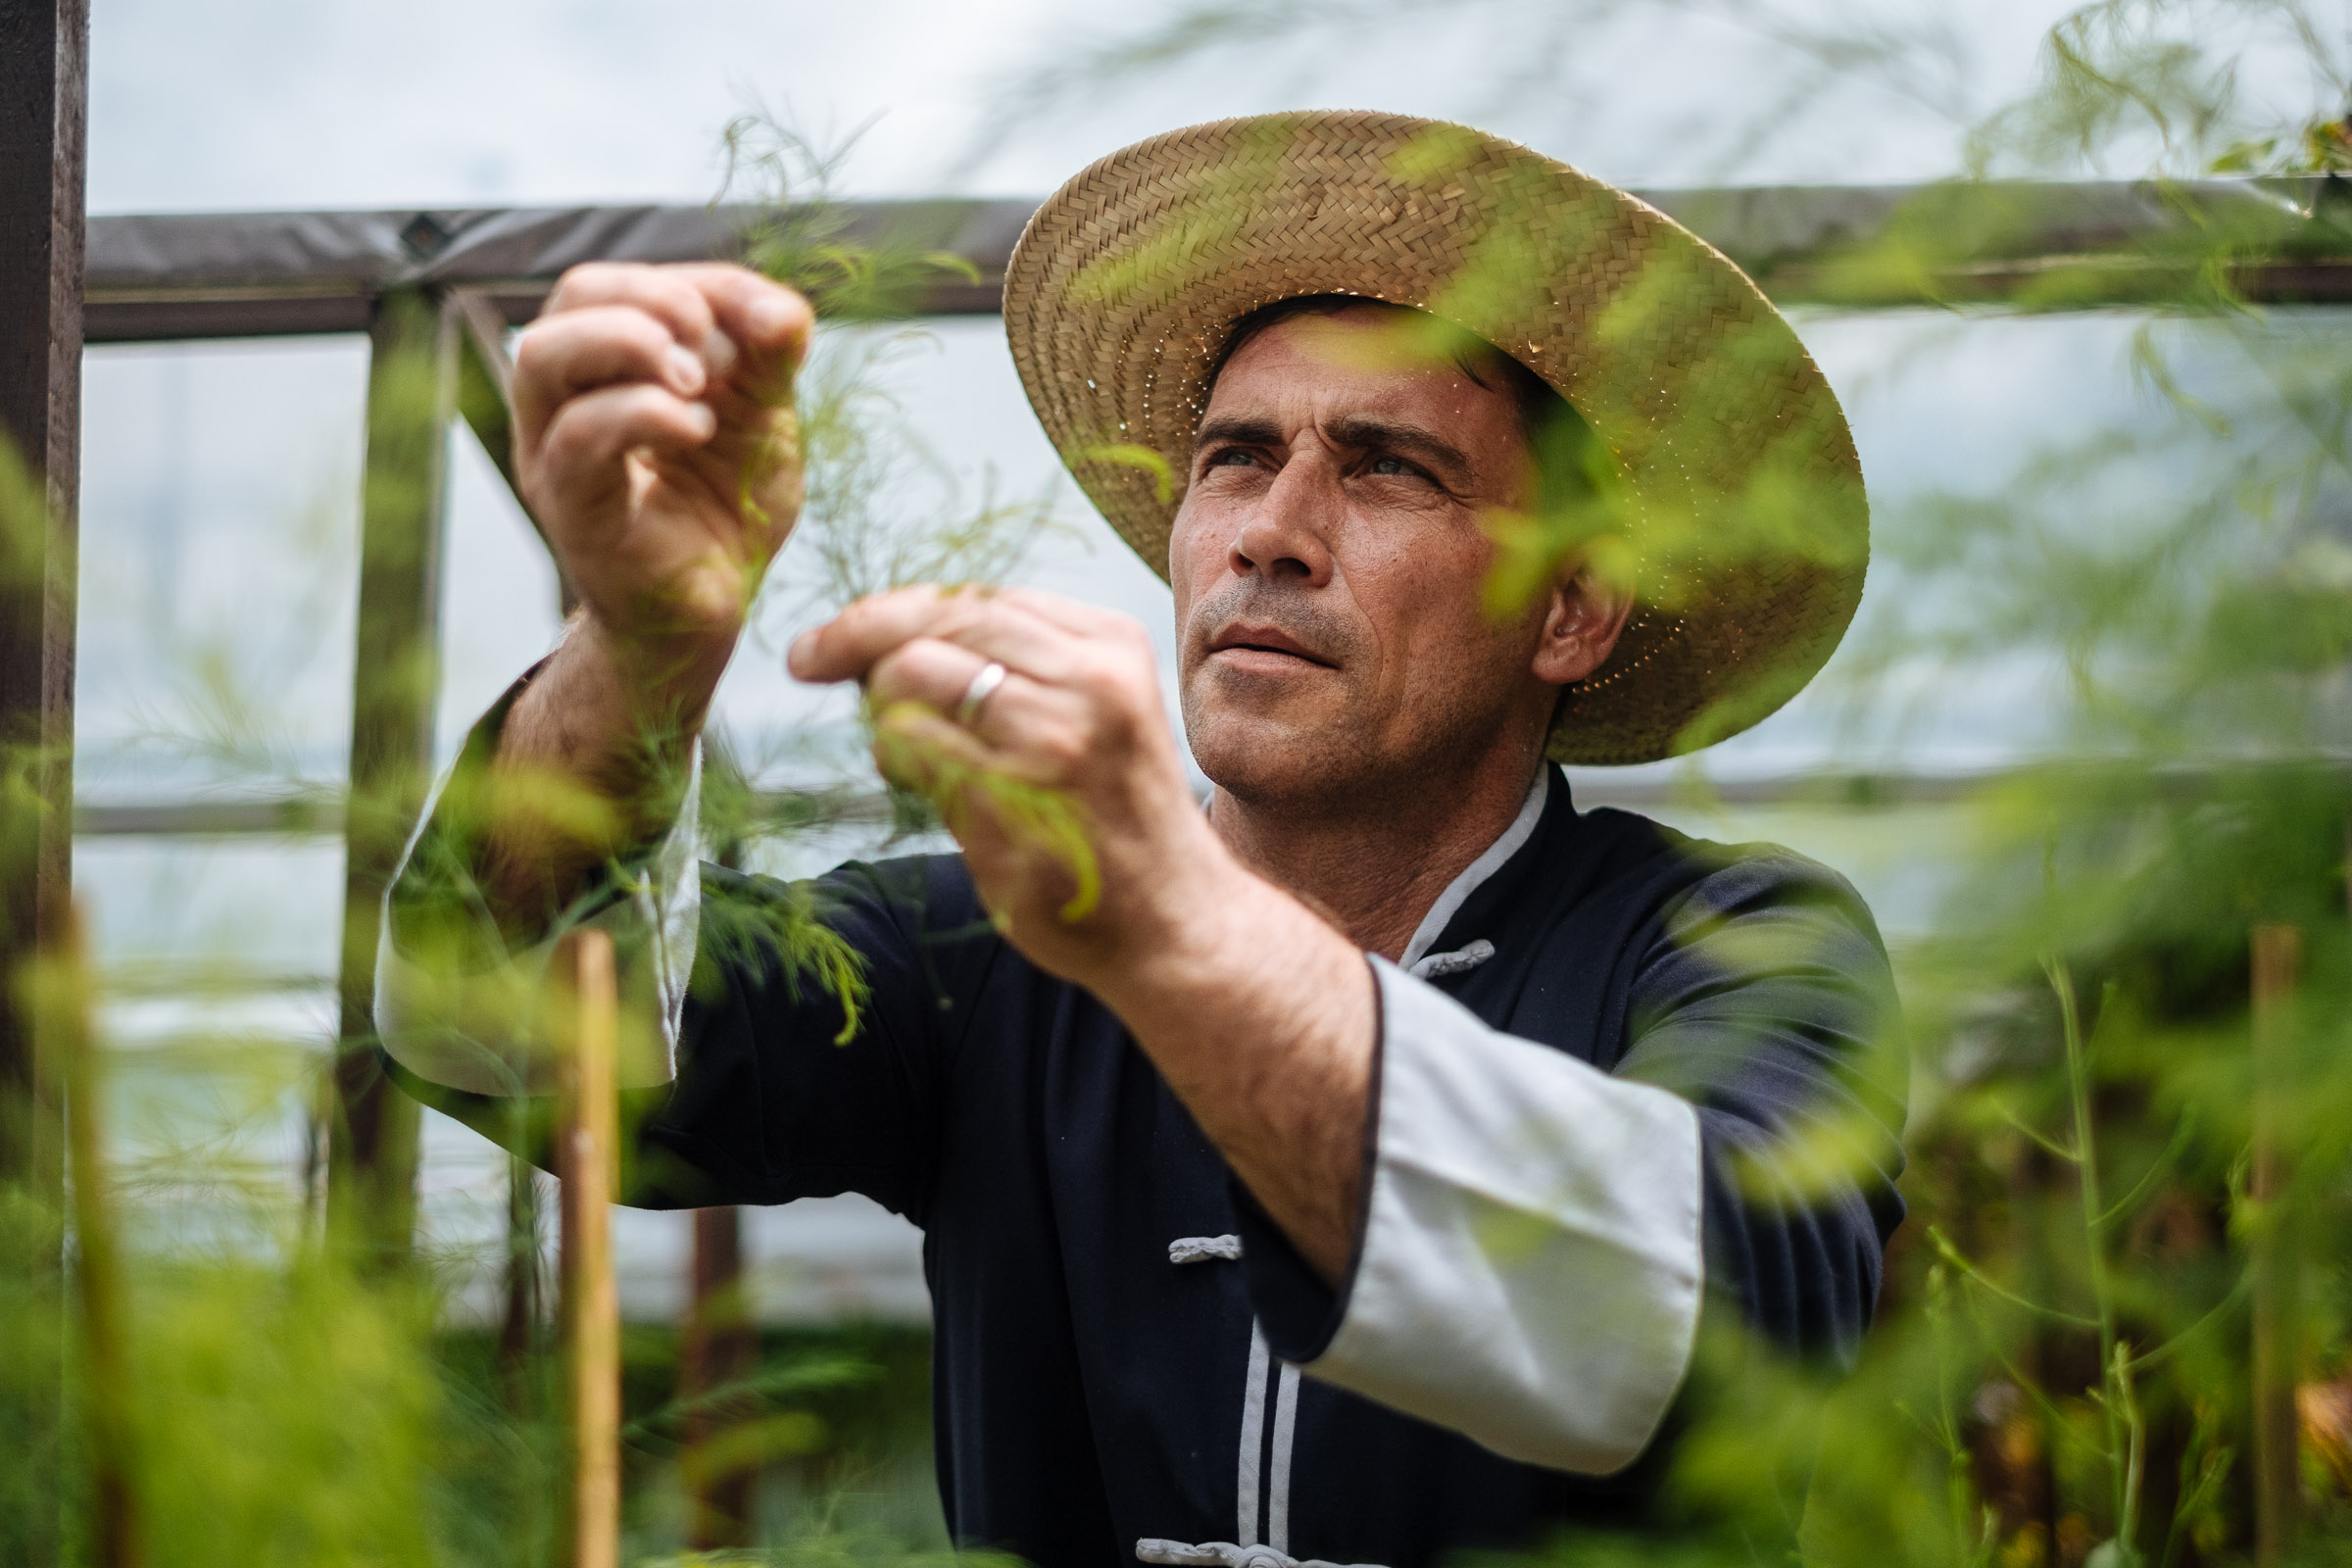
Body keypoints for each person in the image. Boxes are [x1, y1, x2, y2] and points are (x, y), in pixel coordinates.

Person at [378, 111, 1906, 1568]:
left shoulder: (1740, 944)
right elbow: (497, 1025)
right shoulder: (993, 945)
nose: (1271, 527)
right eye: (1236, 457)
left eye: (1386, 464)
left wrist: (1170, 926)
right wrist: (639, 649)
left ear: (1570, 609)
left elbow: (1711, 1320)